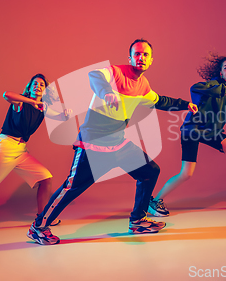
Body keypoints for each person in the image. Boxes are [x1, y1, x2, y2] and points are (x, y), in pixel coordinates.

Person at [27, 39, 198, 245]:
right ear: (130, 57)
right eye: (136, 54)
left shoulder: (143, 85)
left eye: (145, 55)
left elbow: (160, 100)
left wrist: (185, 104)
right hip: (93, 143)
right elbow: (95, 75)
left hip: (118, 143)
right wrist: (106, 92)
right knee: (72, 187)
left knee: (149, 172)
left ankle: (137, 221)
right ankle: (38, 227)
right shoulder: (115, 72)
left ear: (151, 60)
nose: (141, 58)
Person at [0, 74, 72, 235]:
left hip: (20, 150)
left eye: (41, 85)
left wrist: (65, 114)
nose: (37, 86)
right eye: (34, 84)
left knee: (45, 179)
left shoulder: (42, 107)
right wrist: (31, 101)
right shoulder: (21, 102)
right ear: (29, 87)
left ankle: (42, 218)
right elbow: (6, 94)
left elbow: (59, 116)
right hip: (4, 147)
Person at [148, 53, 226, 217]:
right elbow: (195, 88)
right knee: (187, 173)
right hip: (193, 130)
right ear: (220, 73)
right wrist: (220, 89)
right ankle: (155, 201)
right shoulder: (214, 85)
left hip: (212, 132)